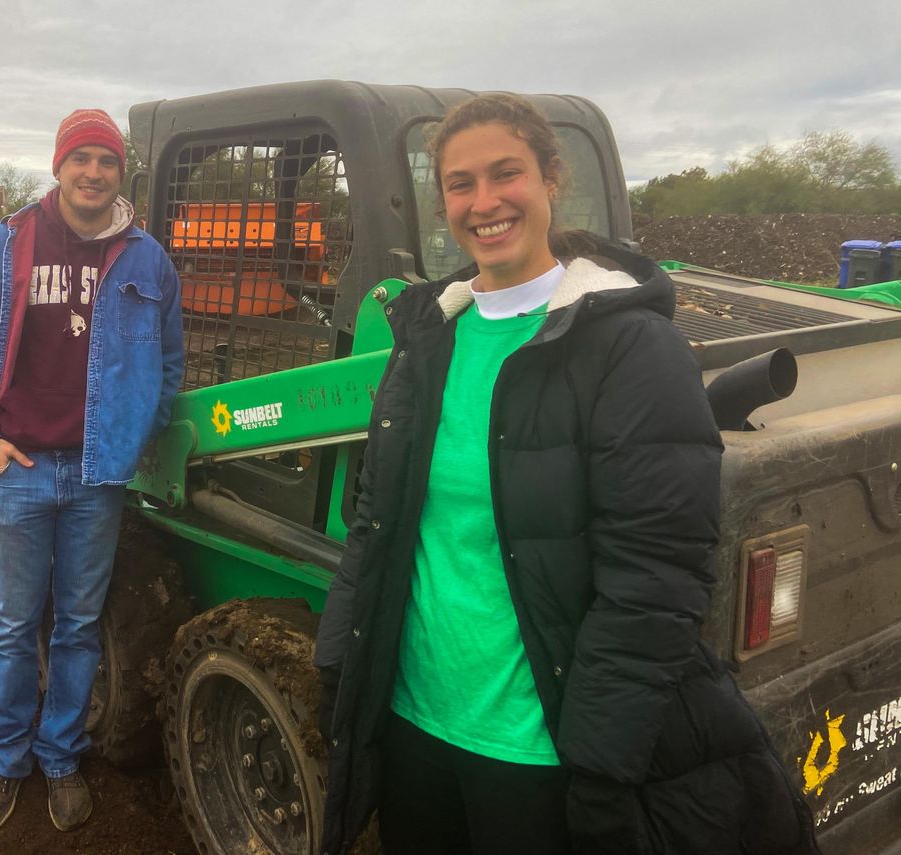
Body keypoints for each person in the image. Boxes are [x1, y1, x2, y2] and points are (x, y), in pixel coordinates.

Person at [314, 94, 818, 855]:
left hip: (539, 751)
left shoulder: (631, 348)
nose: (484, 202)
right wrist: (338, 660)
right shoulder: (428, 338)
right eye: (460, 183)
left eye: (505, 173)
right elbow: (376, 521)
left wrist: (598, 758)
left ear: (551, 179)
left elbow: (656, 579)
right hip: (415, 726)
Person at [0, 109, 183, 836]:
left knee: (77, 625)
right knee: (14, 625)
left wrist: (140, 431)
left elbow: (169, 363)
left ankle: (62, 755)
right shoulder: (1, 247)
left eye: (106, 161)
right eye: (82, 159)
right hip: (19, 471)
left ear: (120, 172)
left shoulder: (147, 259)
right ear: (59, 166)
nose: (94, 173)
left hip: (100, 474)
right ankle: (5, 759)